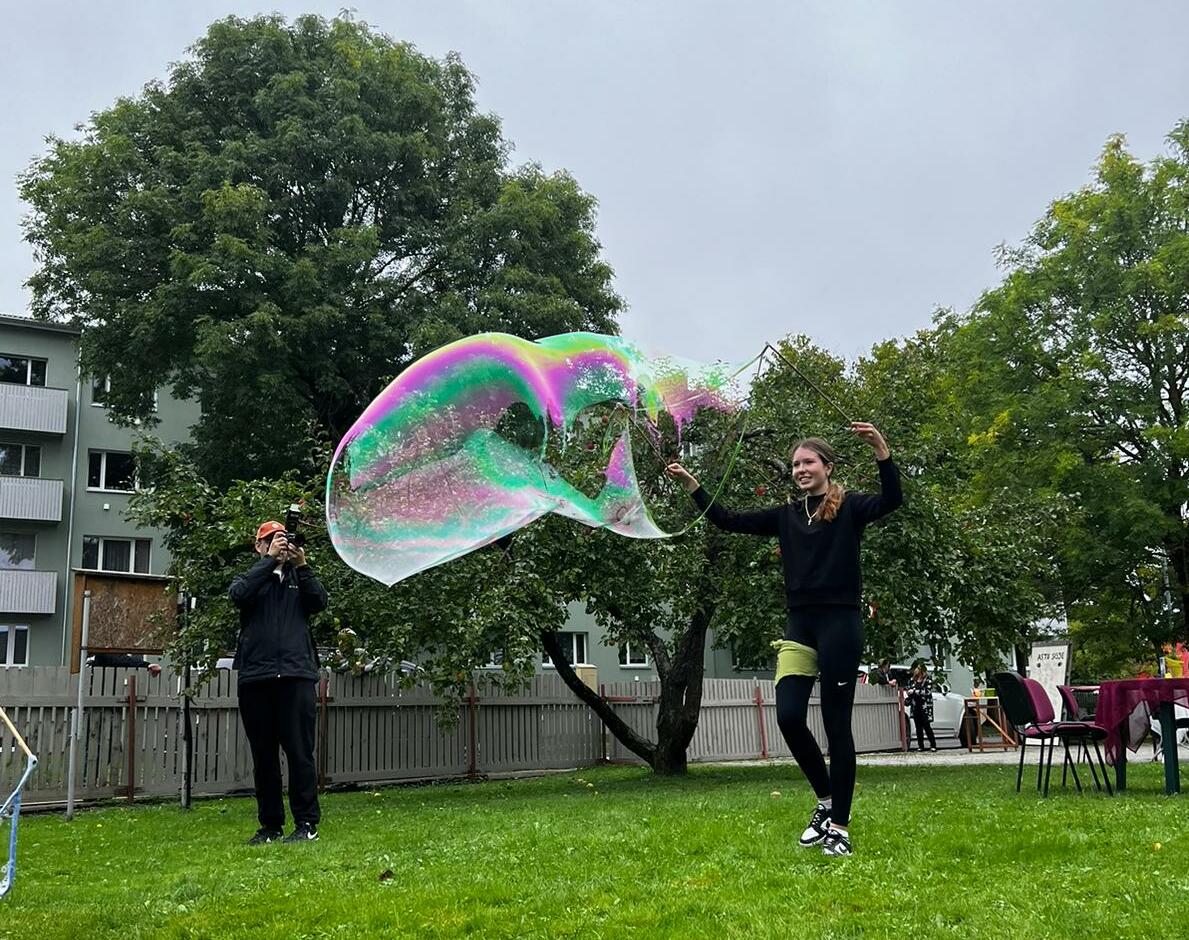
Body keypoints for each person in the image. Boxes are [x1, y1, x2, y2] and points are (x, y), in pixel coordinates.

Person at [666, 422, 902, 857]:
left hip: (840, 625)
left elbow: (892, 499)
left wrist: (881, 450)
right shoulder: (786, 516)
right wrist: (692, 484)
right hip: (800, 626)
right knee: (789, 717)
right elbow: (726, 519)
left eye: (808, 462)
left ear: (828, 467)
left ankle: (840, 828)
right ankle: (826, 801)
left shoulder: (850, 507)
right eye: (795, 465)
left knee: (836, 726)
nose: (800, 470)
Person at [229, 520, 328, 845]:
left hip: (296, 676)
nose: (279, 544)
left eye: (283, 539)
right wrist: (270, 561)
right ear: (258, 546)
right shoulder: (252, 579)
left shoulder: (299, 579)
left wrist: (303, 565)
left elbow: (319, 602)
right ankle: (270, 826)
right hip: (256, 678)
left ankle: (306, 824)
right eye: (271, 540)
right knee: (264, 757)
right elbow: (238, 595)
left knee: (300, 753)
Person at [904, 663, 937, 752]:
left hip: (924, 706)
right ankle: (920, 746)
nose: (916, 671)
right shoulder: (912, 680)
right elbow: (908, 689)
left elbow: (927, 692)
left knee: (926, 726)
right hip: (915, 706)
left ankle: (933, 745)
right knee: (918, 727)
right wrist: (910, 693)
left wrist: (914, 691)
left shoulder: (927, 680)